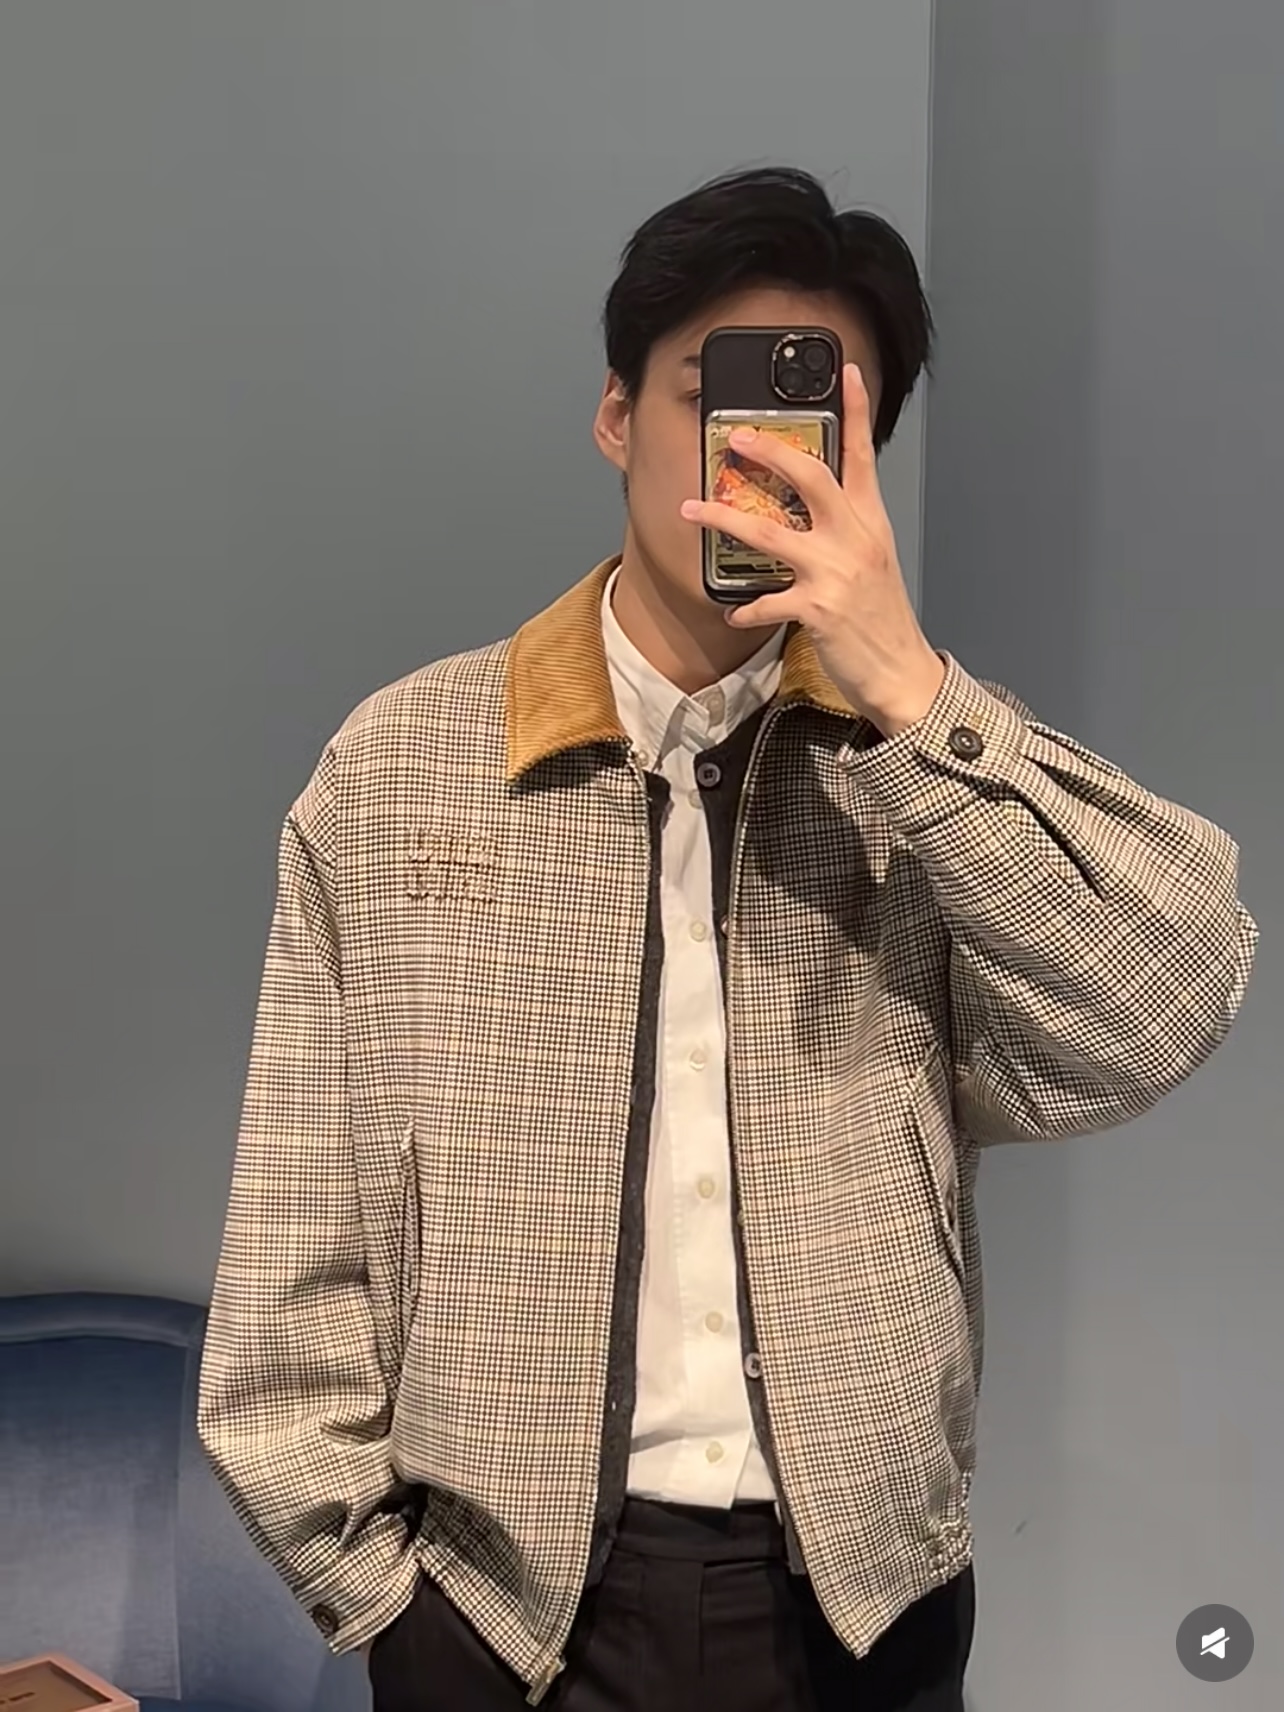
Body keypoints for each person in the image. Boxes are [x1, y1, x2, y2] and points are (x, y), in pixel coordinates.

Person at [196, 166, 1258, 1712]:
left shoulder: (923, 780)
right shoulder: (403, 767)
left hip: (863, 1611)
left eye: (811, 422)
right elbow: (300, 1208)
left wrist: (915, 694)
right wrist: (375, 1595)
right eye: (714, 399)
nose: (753, 458)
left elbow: (1161, 1006)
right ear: (616, 416)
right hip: (497, 1621)